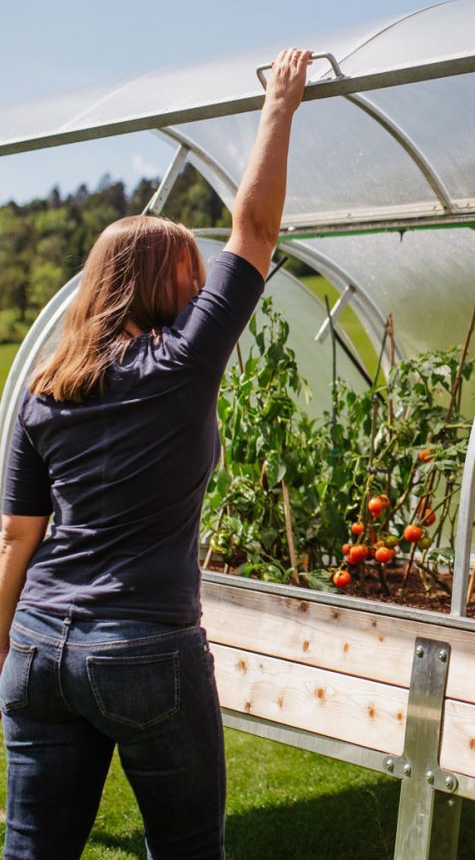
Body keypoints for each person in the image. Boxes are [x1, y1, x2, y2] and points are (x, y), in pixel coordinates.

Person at [0, 47, 312, 859]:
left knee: (34, 851)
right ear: (166, 286)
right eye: (191, 267)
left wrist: (7, 649)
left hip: (37, 641)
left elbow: (15, 540)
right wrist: (279, 103)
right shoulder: (180, 363)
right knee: (185, 849)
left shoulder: (42, 389)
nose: (206, 274)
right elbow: (256, 230)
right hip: (144, 647)